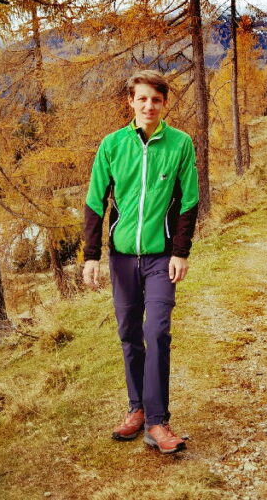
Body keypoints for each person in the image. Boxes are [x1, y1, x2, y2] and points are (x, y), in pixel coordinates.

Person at [82, 70, 199, 454]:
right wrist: (91, 256)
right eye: (142, 99)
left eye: (157, 100)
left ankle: (157, 421)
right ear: (130, 102)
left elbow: (188, 203)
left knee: (157, 332)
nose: (149, 106)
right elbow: (95, 201)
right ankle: (136, 410)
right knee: (129, 334)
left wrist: (181, 251)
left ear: (165, 104)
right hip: (121, 259)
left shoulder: (180, 144)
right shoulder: (112, 145)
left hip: (161, 257)